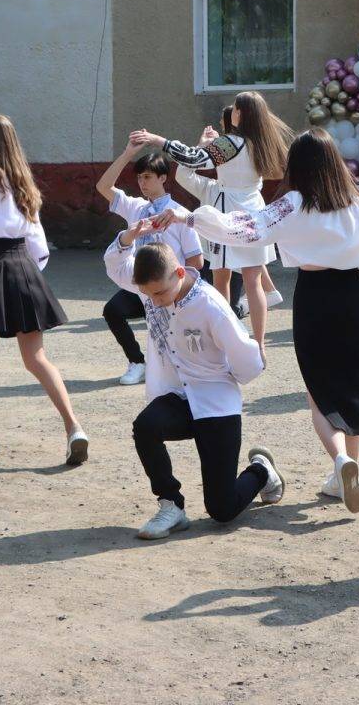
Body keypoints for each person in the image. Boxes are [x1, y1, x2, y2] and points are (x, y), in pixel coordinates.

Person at [152, 128, 359, 515]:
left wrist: (190, 217)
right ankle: (342, 473)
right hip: (352, 299)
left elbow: (243, 228)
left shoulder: (292, 203)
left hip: (314, 298)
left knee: (318, 391)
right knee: (354, 385)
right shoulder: (358, 203)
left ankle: (341, 461)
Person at [104, 221, 285, 540]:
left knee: (222, 509)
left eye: (159, 293)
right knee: (145, 426)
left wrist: (227, 377)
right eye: (148, 294)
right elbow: (117, 265)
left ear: (179, 274)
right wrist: (128, 237)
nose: (155, 301)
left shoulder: (211, 305)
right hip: (177, 397)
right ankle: (171, 505)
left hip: (216, 405)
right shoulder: (153, 290)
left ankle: (261, 470)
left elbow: (247, 360)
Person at [0, 114, 87, 466]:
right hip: (25, 265)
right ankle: (74, 428)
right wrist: (29, 275)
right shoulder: (21, 178)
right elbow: (38, 242)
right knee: (36, 358)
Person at [138, 91, 291, 347]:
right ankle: (260, 344)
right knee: (253, 281)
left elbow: (193, 158)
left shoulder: (231, 142)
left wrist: (158, 140)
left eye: (236, 109)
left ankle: (226, 338)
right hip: (254, 210)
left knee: (222, 278)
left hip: (227, 210)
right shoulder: (262, 142)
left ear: (240, 113)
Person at [96, 136, 204, 386]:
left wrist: (176, 285)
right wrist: (126, 154)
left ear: (163, 178)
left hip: (171, 287)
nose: (143, 183)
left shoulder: (179, 215)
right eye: (140, 177)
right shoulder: (136, 208)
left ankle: (188, 367)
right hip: (141, 283)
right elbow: (104, 186)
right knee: (113, 310)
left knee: (174, 327)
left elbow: (196, 261)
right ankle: (137, 362)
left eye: (148, 177)